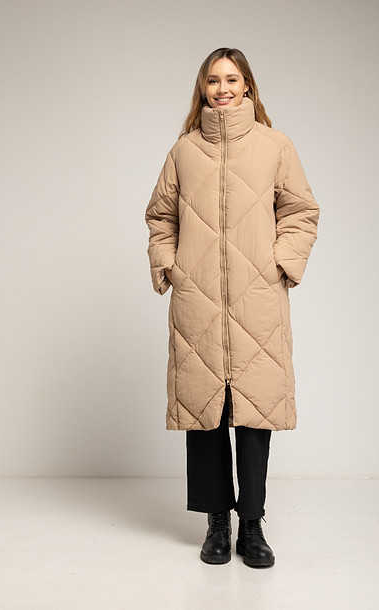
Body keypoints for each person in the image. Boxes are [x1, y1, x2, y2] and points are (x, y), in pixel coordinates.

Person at [144, 47, 320, 568]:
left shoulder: (275, 145)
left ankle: (252, 525)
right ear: (203, 88)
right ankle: (216, 523)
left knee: (255, 413)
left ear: (248, 87)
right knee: (206, 415)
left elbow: (301, 212)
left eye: (231, 79)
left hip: (257, 297)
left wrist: (280, 264)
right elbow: (160, 217)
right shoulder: (183, 151)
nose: (222, 89)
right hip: (197, 299)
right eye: (213, 80)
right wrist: (170, 266)